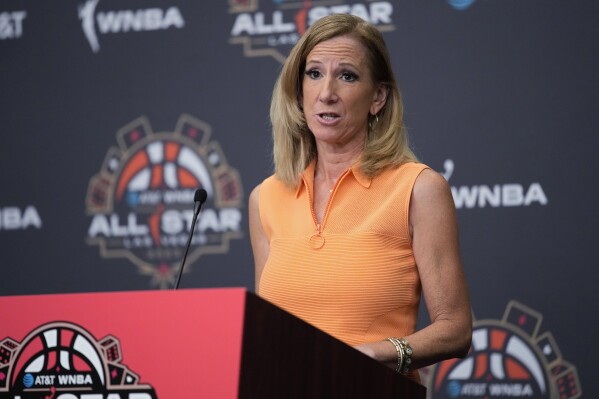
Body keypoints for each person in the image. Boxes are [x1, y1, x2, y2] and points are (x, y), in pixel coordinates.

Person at [249, 13, 472, 381]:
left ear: (378, 97)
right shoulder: (265, 197)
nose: (327, 93)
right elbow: (267, 331)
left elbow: (455, 330)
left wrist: (374, 354)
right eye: (314, 73)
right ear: (298, 89)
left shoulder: (418, 188)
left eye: (347, 76)